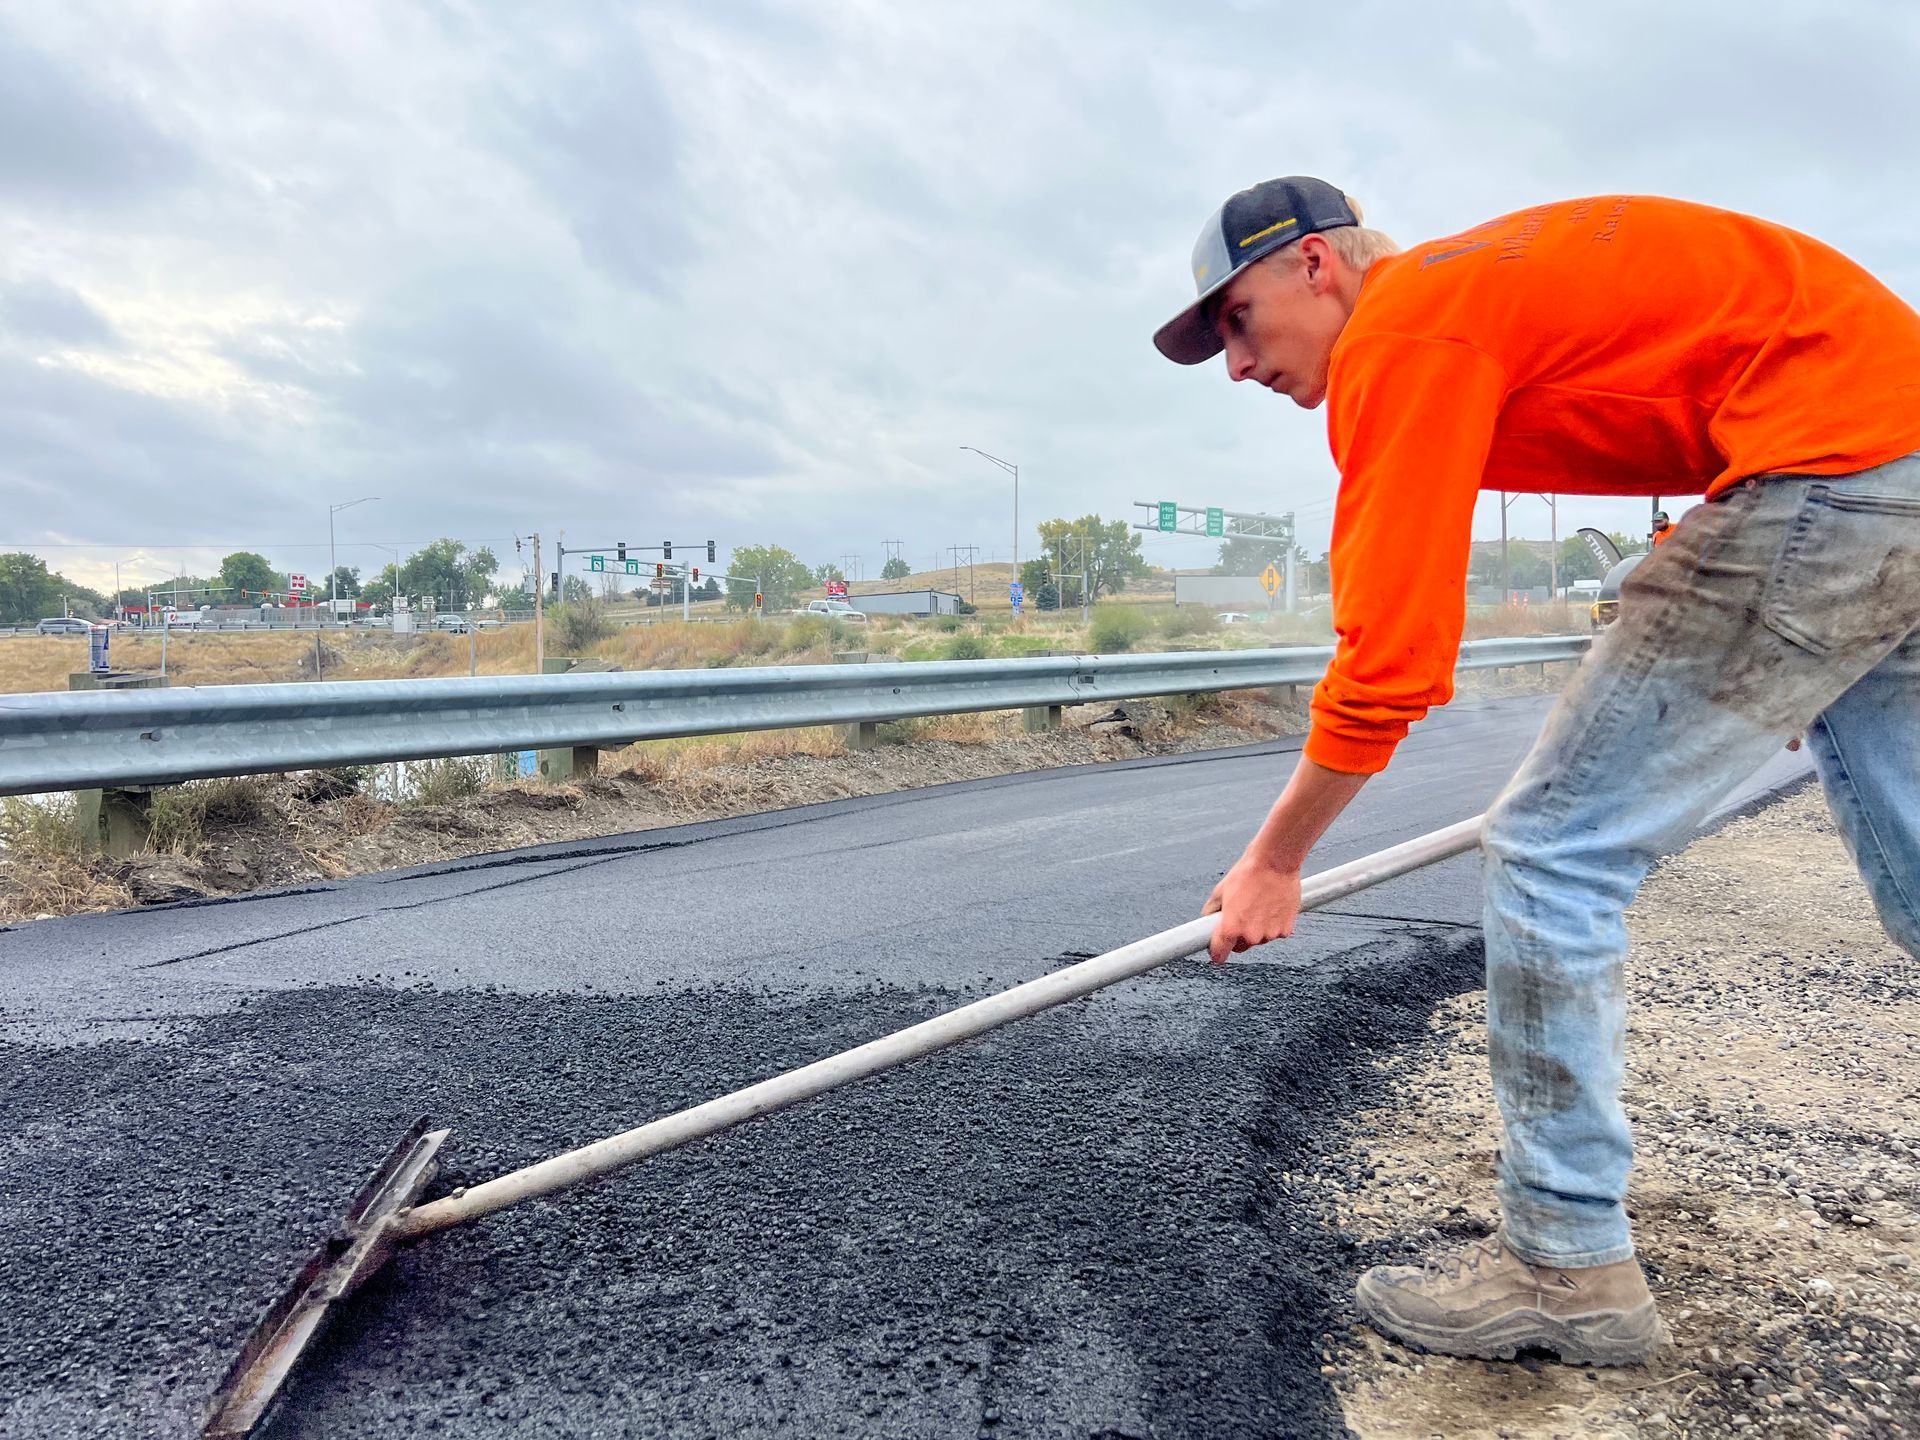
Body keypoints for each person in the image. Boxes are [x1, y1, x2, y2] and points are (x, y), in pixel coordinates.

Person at [1154, 177, 1920, 1365]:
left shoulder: (1405, 328)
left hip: (1832, 470)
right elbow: (1712, 377)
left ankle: (1567, 1270)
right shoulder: (1483, 295)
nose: (1236, 367)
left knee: (1551, 849)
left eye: (1238, 322)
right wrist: (1747, 635)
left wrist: (1275, 861)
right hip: (1885, 457)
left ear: (1315, 265)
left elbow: (1394, 659)